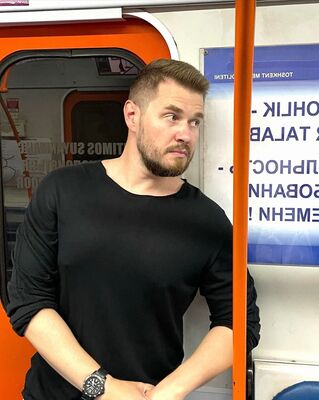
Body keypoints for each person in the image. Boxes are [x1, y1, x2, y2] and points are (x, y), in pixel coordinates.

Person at [7, 59, 260, 400]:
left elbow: (241, 322)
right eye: (171, 116)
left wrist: (172, 389)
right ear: (132, 116)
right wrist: (104, 387)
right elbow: (29, 300)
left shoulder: (205, 220)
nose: (185, 134)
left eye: (194, 121)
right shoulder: (63, 191)